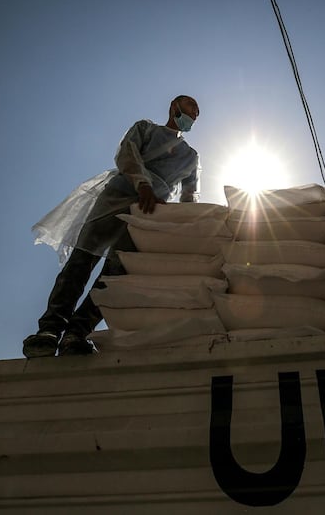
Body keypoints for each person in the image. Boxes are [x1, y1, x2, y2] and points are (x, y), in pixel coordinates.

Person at [23, 95, 201, 358]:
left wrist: (183, 224)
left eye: (197, 114)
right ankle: (49, 332)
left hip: (148, 214)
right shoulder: (145, 129)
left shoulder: (190, 156)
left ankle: (77, 334)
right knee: (80, 264)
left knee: (113, 277)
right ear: (174, 107)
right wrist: (142, 184)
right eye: (190, 109)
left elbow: (190, 197)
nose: (194, 116)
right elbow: (127, 153)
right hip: (116, 198)